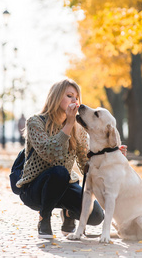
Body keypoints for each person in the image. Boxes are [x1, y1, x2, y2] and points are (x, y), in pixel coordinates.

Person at [16, 78, 127, 239]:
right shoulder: (35, 122)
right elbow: (50, 153)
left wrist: (111, 155)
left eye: (76, 97)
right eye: (69, 95)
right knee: (59, 172)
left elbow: (86, 165)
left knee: (96, 216)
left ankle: (68, 213)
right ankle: (44, 218)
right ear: (55, 97)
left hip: (63, 186)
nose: (74, 100)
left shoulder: (79, 130)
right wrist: (68, 124)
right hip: (35, 188)